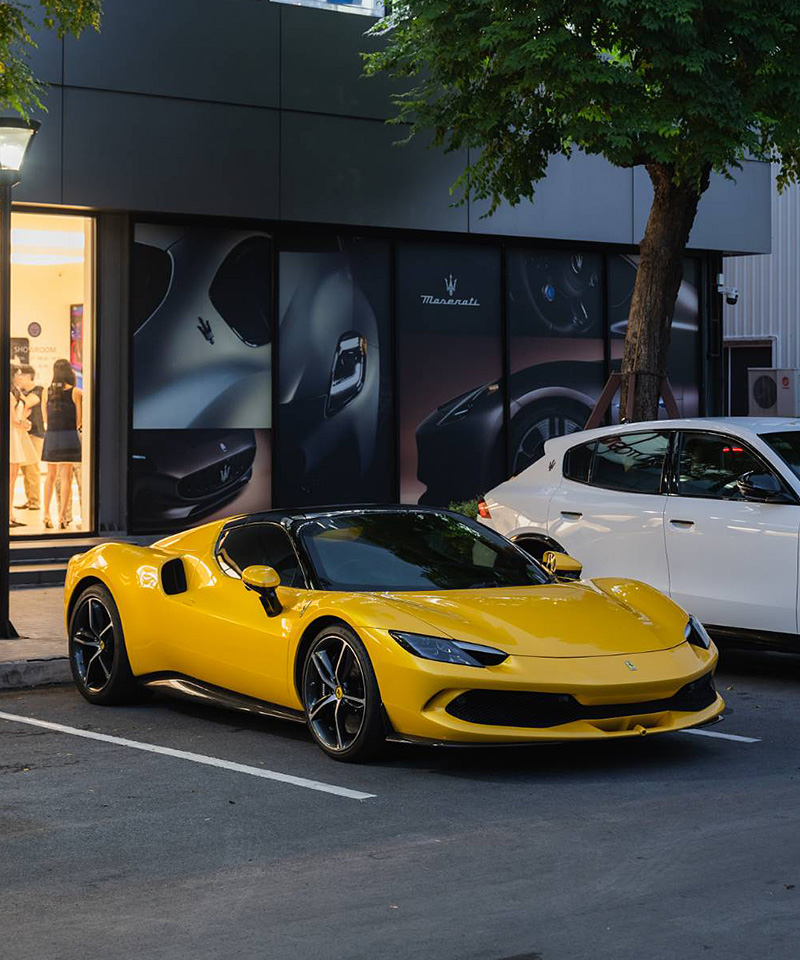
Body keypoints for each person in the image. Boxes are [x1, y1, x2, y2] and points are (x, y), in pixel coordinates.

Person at [41, 359, 82, 530]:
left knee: (50, 477)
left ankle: (46, 514)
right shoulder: (76, 392)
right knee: (66, 477)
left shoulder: (46, 392)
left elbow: (44, 418)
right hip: (69, 436)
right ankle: (63, 517)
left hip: (51, 436)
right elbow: (79, 420)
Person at [9, 370, 38, 528]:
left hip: (16, 436)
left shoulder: (17, 392)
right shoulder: (10, 394)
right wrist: (23, 423)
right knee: (10, 479)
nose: (20, 377)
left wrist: (23, 422)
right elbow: (13, 419)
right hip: (12, 436)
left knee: (13, 478)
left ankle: (10, 515)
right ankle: (8, 515)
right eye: (18, 374)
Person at [13, 365, 43, 512]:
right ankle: (29, 498)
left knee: (32, 468)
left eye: (21, 376)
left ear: (28, 376)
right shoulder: (21, 392)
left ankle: (35, 501)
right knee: (25, 469)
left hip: (35, 433)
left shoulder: (39, 390)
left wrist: (17, 392)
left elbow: (29, 403)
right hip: (23, 433)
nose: (19, 379)